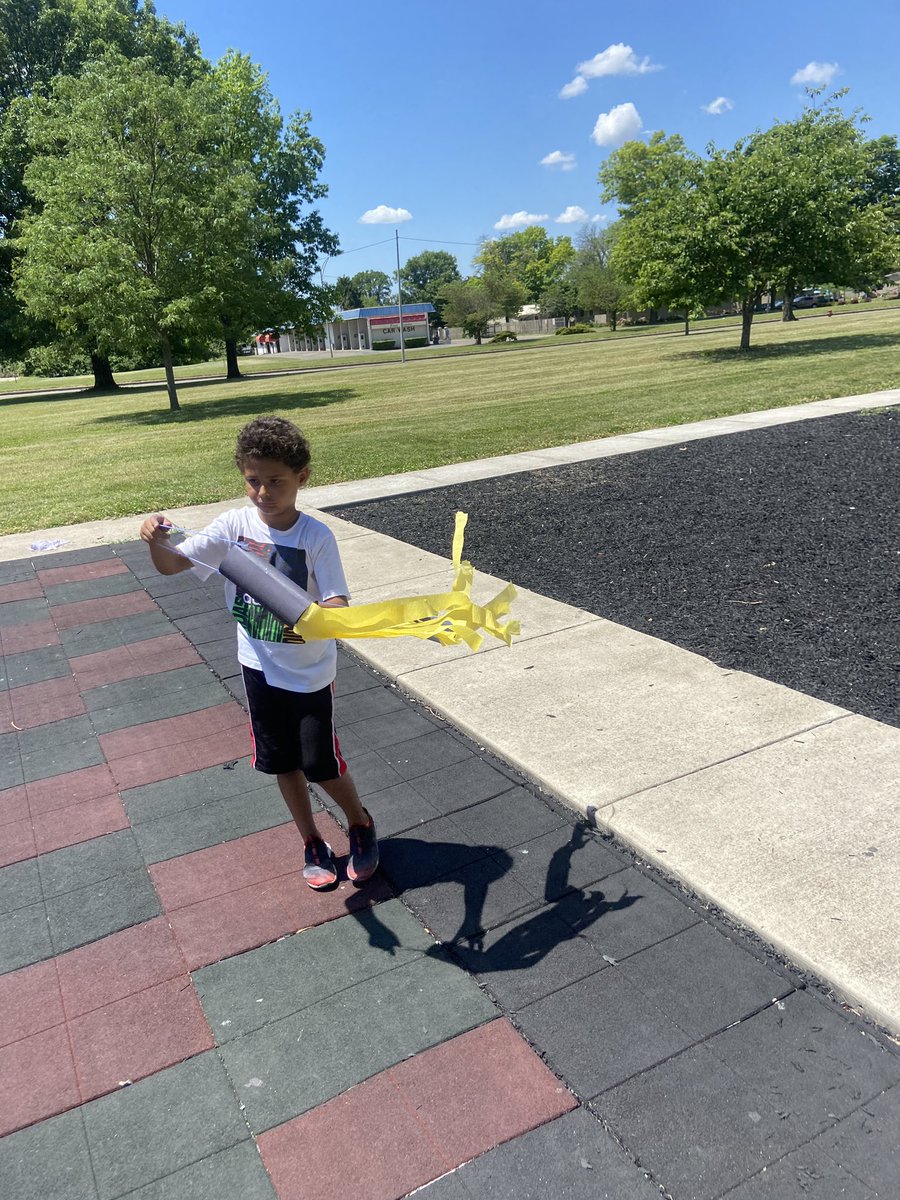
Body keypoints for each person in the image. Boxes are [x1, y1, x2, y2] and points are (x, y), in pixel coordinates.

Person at [138, 416, 378, 891]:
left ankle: (360, 823)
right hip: (257, 667)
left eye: (276, 481)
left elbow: (337, 604)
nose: (263, 492)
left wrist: (311, 613)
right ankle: (312, 840)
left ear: (302, 477)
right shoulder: (233, 525)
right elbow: (170, 566)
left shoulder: (315, 537)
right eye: (253, 481)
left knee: (320, 763)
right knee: (280, 762)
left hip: (309, 672)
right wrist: (155, 540)